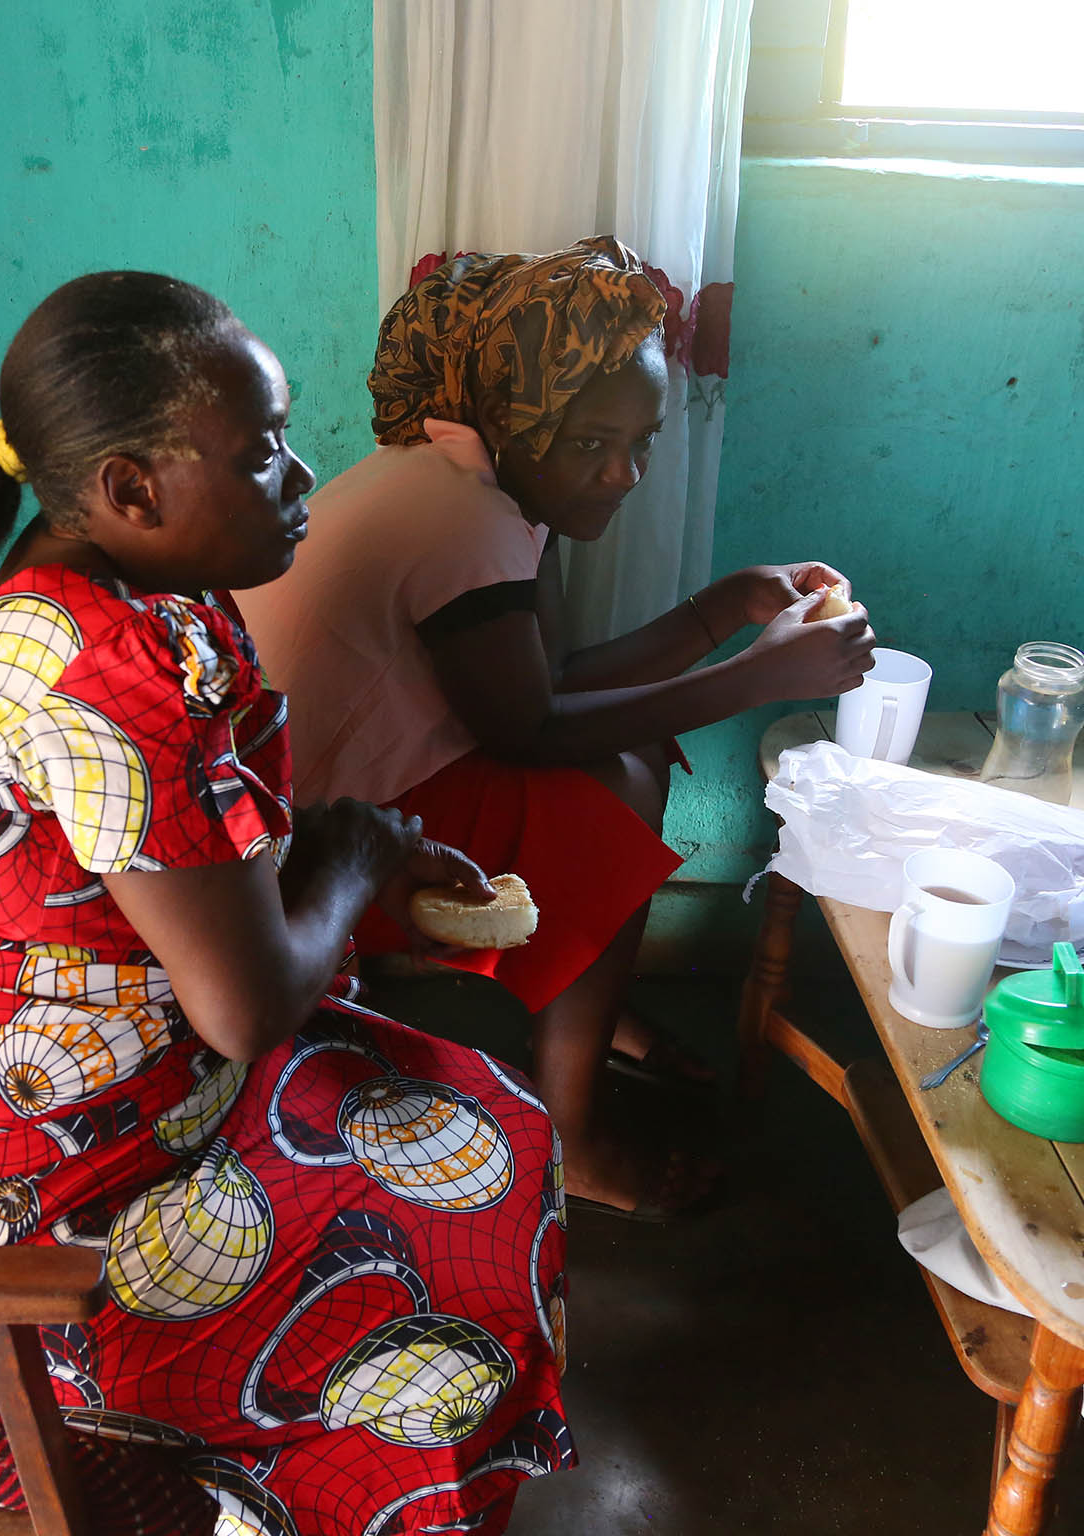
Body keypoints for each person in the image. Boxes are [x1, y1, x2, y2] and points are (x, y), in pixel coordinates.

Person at [0, 272, 574, 1535]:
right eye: (262, 449)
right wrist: (351, 860)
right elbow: (247, 1008)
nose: (299, 474)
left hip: (93, 1087)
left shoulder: (109, 601)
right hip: (10, 1204)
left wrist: (355, 856)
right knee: (444, 1282)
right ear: (131, 489)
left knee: (487, 1127)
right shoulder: (106, 677)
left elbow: (181, 869)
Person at [233, 238, 875, 1219]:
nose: (622, 473)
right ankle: (571, 1134)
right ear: (514, 419)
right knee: (609, 787)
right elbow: (529, 734)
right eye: (588, 443)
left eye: (641, 440)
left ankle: (580, 992)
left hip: (332, 788)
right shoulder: (466, 519)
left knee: (628, 756)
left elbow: (548, 684)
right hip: (307, 852)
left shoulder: (470, 480)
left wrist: (721, 609)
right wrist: (757, 677)